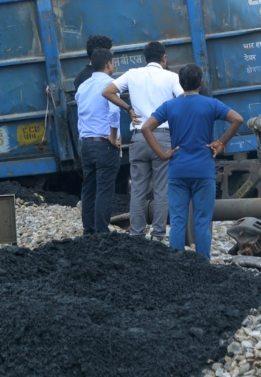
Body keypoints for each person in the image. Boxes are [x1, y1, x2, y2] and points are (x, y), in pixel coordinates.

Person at [141, 63, 242, 257]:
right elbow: (237, 119)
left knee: (178, 220)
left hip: (177, 170)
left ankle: (178, 266)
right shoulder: (211, 104)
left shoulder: (169, 106)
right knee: (202, 221)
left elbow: (146, 128)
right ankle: (203, 265)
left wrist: (163, 154)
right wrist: (220, 143)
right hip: (203, 171)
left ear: (180, 83)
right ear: (201, 82)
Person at [102, 41, 182, 241]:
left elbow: (107, 91)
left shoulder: (132, 74)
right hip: (162, 135)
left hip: (138, 137)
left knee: (138, 189)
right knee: (161, 189)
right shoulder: (172, 77)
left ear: (145, 59)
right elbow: (183, 99)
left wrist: (128, 108)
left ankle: (136, 235)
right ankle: (158, 235)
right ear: (164, 58)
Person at [75, 48, 120, 234]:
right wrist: (113, 136)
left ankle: (88, 231)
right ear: (109, 64)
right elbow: (115, 111)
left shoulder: (83, 86)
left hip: (86, 143)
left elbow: (81, 114)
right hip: (104, 144)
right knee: (104, 189)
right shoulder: (111, 84)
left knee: (89, 189)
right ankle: (102, 232)